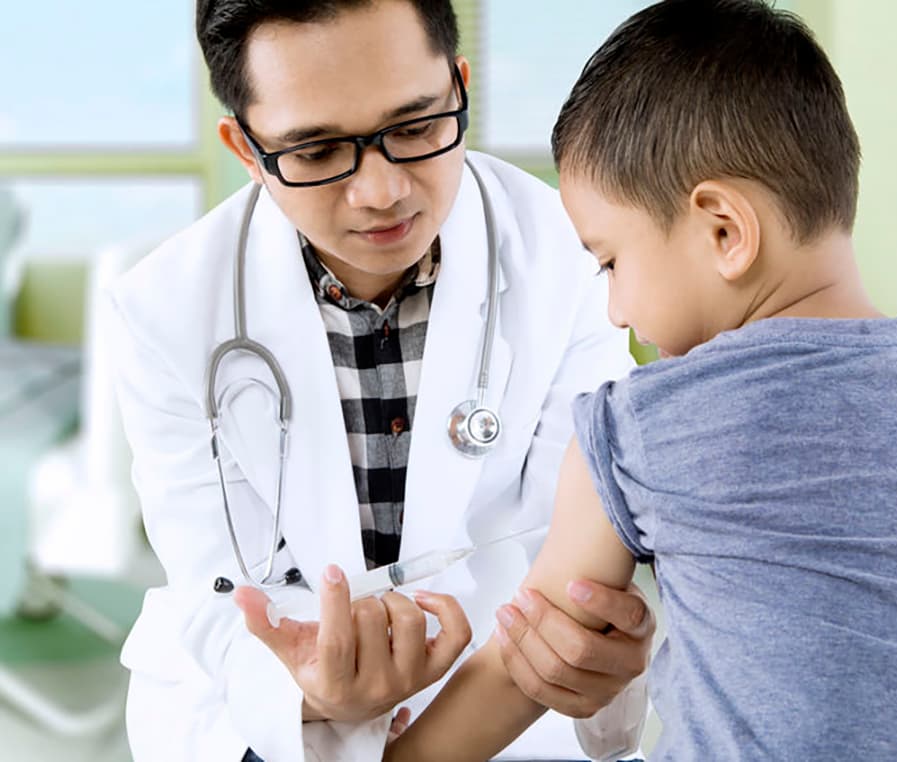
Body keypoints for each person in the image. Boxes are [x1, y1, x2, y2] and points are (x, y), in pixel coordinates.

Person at [383, 0, 897, 759]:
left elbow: (525, 667)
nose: (617, 309)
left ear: (724, 231)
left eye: (611, 262)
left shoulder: (639, 427)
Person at [105, 1, 659, 760]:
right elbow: (214, 590)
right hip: (261, 714)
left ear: (459, 88)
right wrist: (309, 690)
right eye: (317, 150)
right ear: (245, 148)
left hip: (508, 703)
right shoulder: (163, 310)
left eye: (415, 128)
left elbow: (575, 566)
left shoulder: (573, 256)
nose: (381, 192)